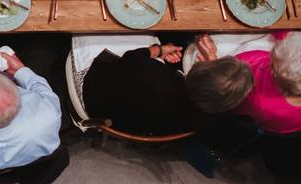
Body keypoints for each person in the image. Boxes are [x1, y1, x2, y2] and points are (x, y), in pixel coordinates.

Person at [82, 40, 254, 135]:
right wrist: (213, 65)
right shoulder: (213, 117)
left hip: (97, 97)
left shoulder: (152, 76)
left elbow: (131, 57)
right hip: (142, 124)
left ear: (197, 70)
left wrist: (159, 49)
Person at [196, 33, 301, 134]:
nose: (270, 62)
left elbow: (224, 94)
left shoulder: (260, 103)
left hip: (226, 78)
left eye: (273, 66)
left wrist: (214, 65)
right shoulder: (290, 68)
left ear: (285, 86)